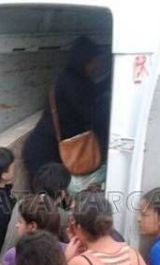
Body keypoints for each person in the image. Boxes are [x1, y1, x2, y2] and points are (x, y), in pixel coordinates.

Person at [22, 36, 111, 186]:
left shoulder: (76, 79)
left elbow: (93, 93)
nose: (97, 66)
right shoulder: (71, 83)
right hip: (45, 153)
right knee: (46, 198)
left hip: (55, 149)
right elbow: (90, 113)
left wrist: (111, 79)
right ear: (85, 60)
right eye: (95, 61)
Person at [0, 194, 62, 265]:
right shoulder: (67, 251)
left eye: (20, 221)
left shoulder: (14, 255)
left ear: (32, 226)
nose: (16, 225)